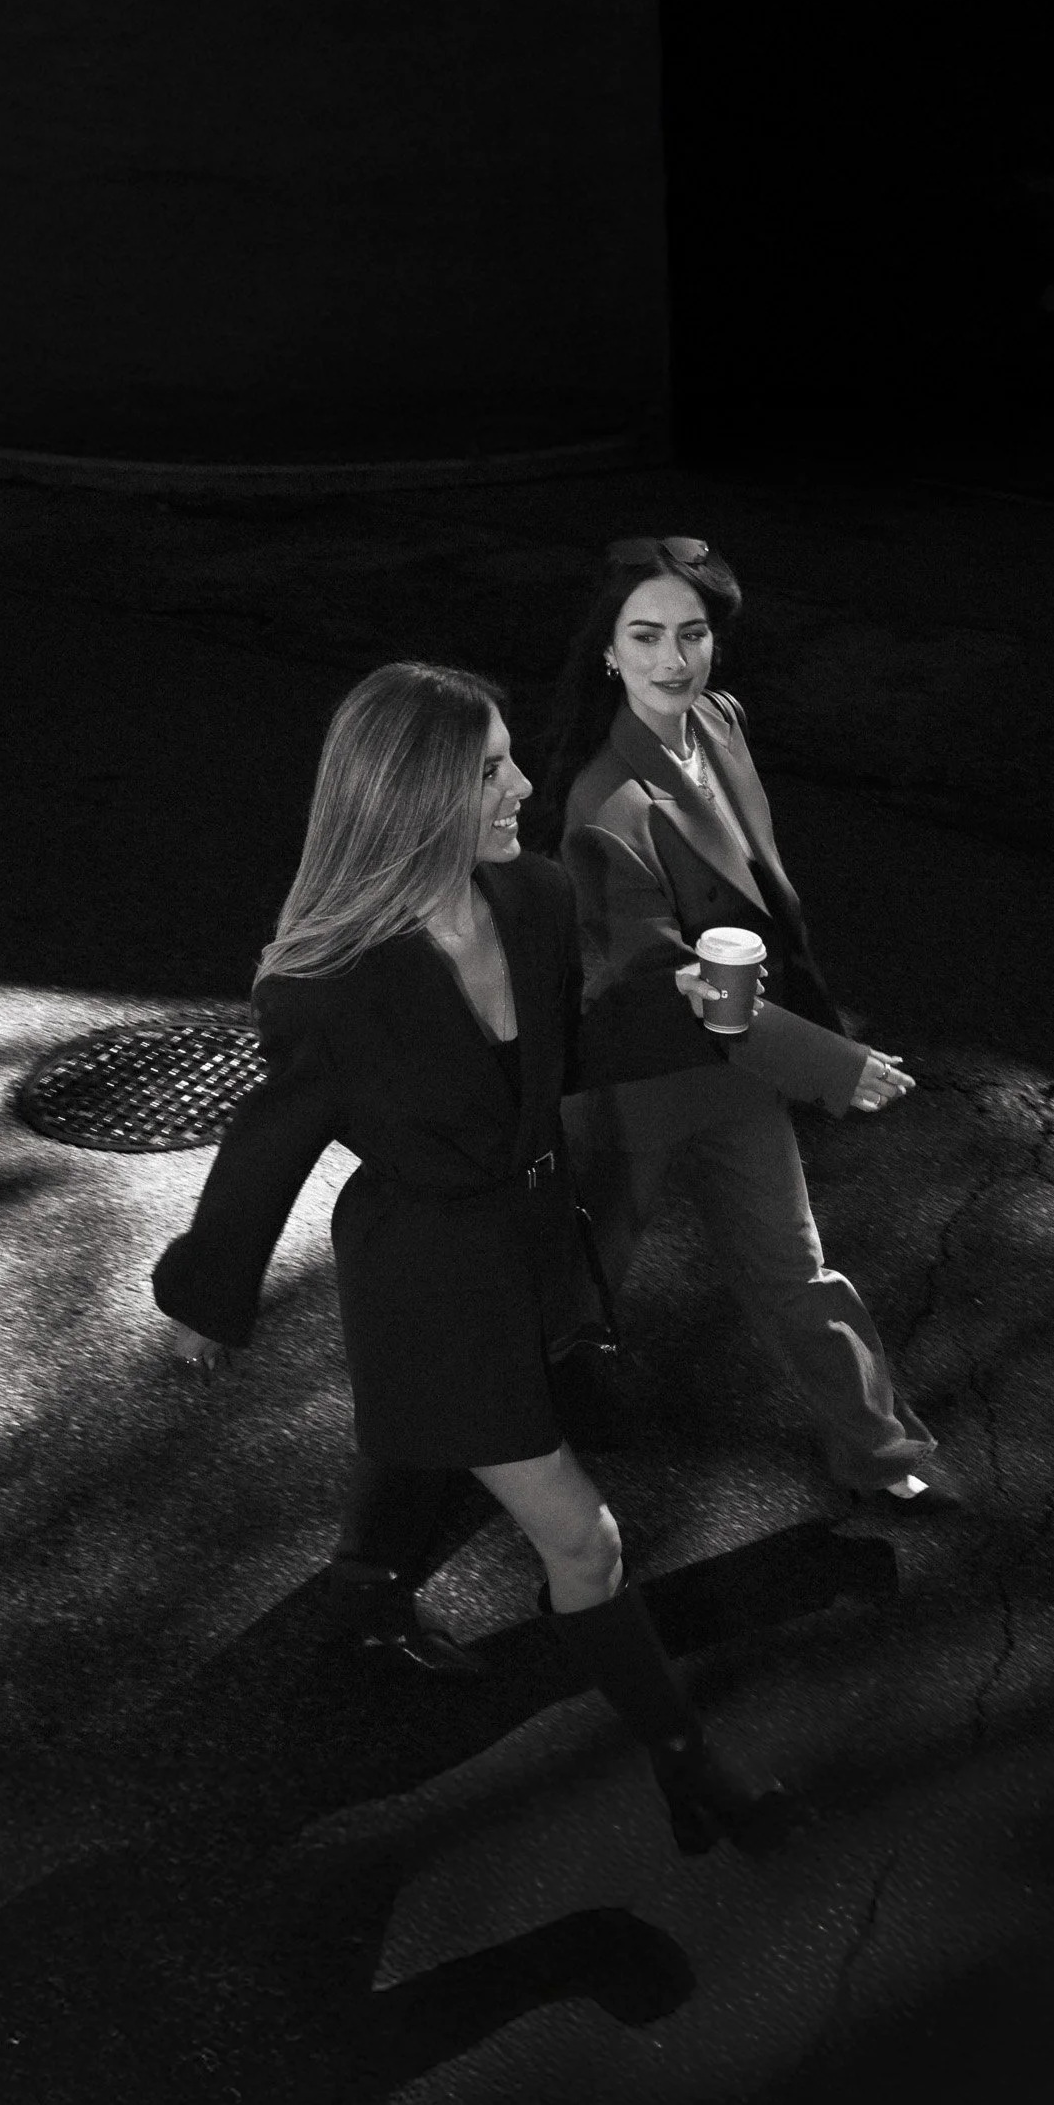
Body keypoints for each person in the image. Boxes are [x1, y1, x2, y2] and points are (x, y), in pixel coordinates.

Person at [154, 660, 801, 1857]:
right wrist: (208, 1294)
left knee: (425, 1446)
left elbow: (562, 1052)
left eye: (509, 755)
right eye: (489, 767)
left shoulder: (535, 897)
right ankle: (687, 1759)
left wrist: (705, 1012)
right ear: (412, 798)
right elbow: (269, 1145)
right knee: (582, 1537)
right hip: (429, 1278)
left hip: (529, 1244)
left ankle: (364, 1595)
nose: (520, 782)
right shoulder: (329, 988)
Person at [545, 535, 960, 1514]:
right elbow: (664, 975)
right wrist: (824, 1057)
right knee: (569, 1281)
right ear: (607, 651)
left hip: (731, 1077)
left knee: (797, 1272)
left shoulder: (719, 722)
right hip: (630, 1081)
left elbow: (760, 889)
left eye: (690, 633)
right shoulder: (607, 803)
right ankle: (457, 1470)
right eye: (643, 635)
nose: (671, 658)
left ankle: (877, 1445)